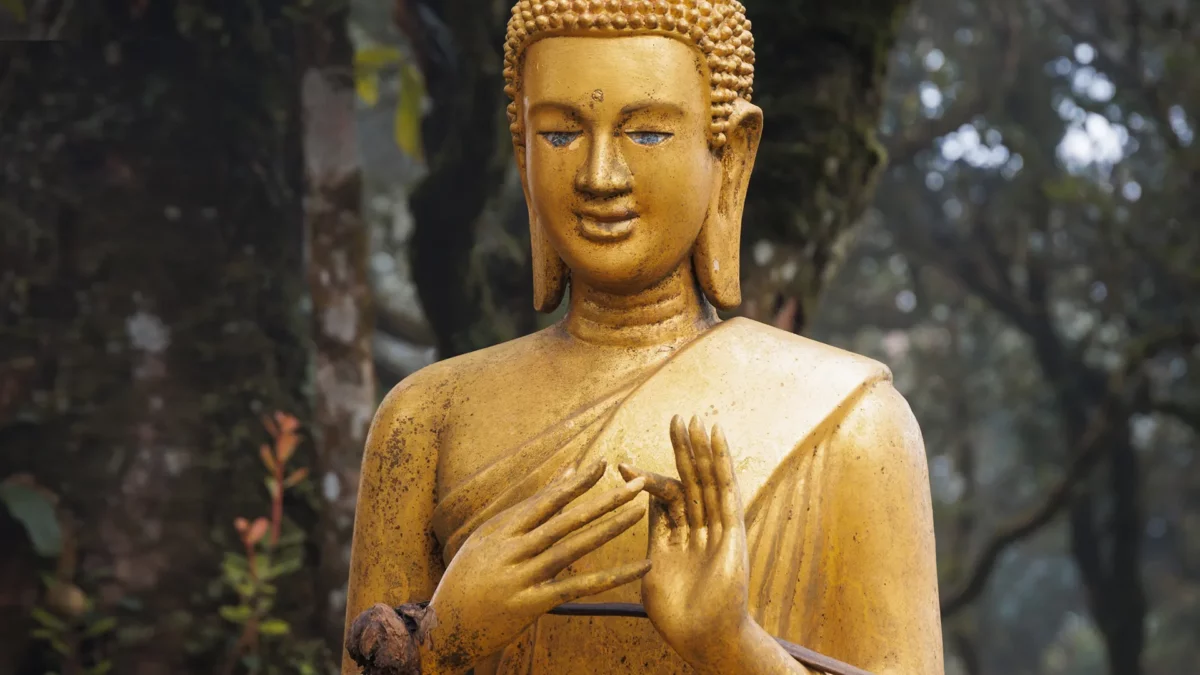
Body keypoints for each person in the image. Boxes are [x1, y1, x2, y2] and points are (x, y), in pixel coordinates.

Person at [342, 2, 943, 673]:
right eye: (561, 134)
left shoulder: (853, 423)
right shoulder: (425, 419)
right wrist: (446, 639)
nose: (600, 176)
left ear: (732, 151)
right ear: (522, 150)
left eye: (649, 133)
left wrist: (729, 643)